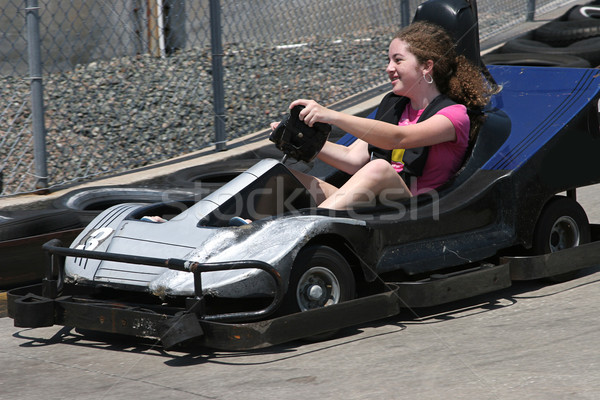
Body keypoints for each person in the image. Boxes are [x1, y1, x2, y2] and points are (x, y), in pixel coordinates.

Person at [271, 21, 493, 211]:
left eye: (398, 60)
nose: (389, 68)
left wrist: (332, 116)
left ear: (427, 67)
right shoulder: (394, 107)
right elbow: (353, 158)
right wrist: (298, 137)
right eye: (389, 60)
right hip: (379, 205)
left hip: (418, 211)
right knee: (279, 174)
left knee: (379, 168)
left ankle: (302, 228)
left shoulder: (453, 116)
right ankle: (251, 229)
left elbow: (399, 138)